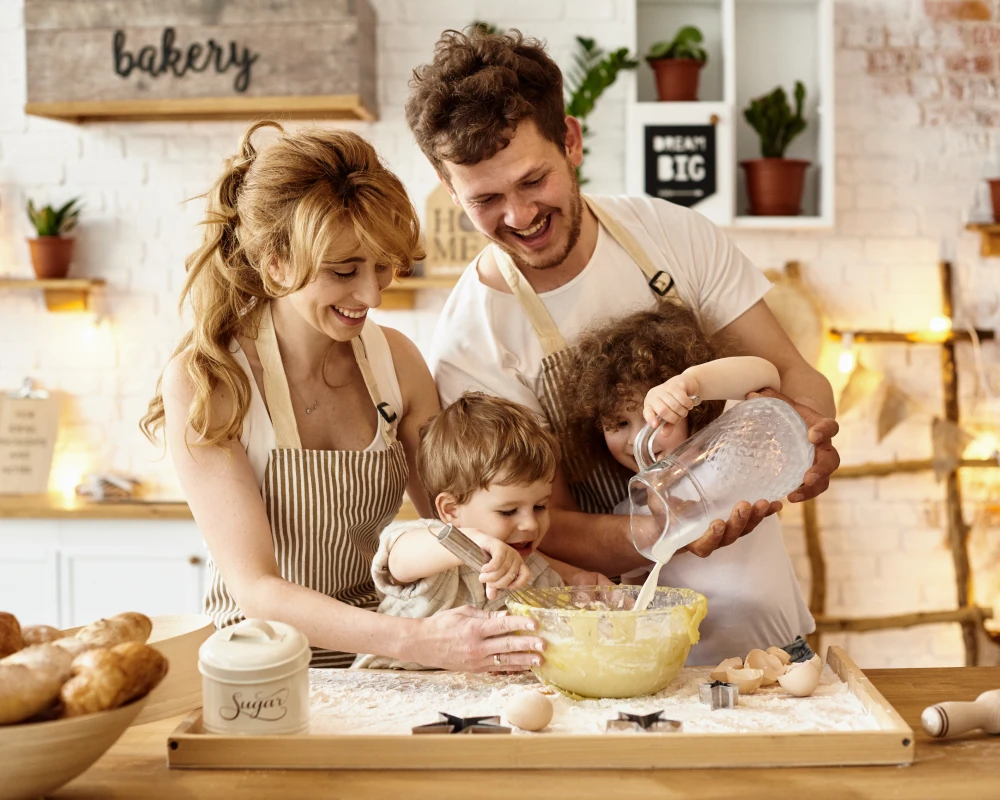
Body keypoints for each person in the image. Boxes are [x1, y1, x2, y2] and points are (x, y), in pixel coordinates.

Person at [406, 27, 840, 585]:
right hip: (610, 613)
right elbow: (542, 525)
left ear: (570, 141)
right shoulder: (471, 342)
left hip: (754, 588)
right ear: (450, 189)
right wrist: (674, 527)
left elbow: (791, 373)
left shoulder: (674, 235)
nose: (519, 216)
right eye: (486, 199)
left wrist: (808, 438)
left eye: (533, 180)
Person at [141, 120, 545, 672]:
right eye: (344, 271)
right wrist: (416, 640)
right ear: (275, 262)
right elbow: (257, 589)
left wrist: (540, 573)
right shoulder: (210, 381)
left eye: (381, 266)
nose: (371, 294)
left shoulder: (396, 364)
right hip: (261, 667)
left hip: (377, 661)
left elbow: (457, 522)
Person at [565, 306, 815, 665]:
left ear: (691, 412)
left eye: (657, 418)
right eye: (618, 424)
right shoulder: (629, 515)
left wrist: (691, 384)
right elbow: (640, 604)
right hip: (691, 670)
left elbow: (766, 373)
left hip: (781, 655)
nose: (638, 439)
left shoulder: (728, 455)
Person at [355, 392, 611, 669]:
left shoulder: (539, 576)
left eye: (540, 506)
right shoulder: (429, 547)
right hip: (382, 687)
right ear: (451, 510)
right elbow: (398, 559)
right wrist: (470, 542)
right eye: (508, 511)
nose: (531, 524)